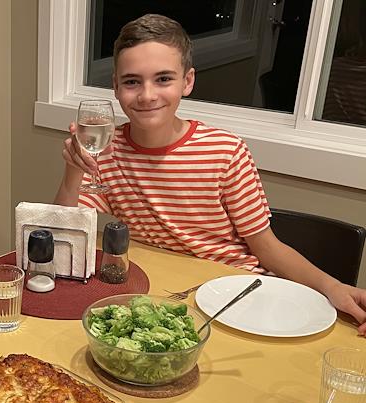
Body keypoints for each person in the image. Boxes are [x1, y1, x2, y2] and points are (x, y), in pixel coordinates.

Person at [55, 13, 366, 335]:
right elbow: (65, 231)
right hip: (161, 289)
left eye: (163, 79)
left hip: (234, 291)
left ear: (187, 81)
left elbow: (267, 248)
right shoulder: (107, 149)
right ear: (116, 87)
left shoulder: (226, 151)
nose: (147, 95)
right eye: (132, 81)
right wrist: (73, 171)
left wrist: (334, 287)